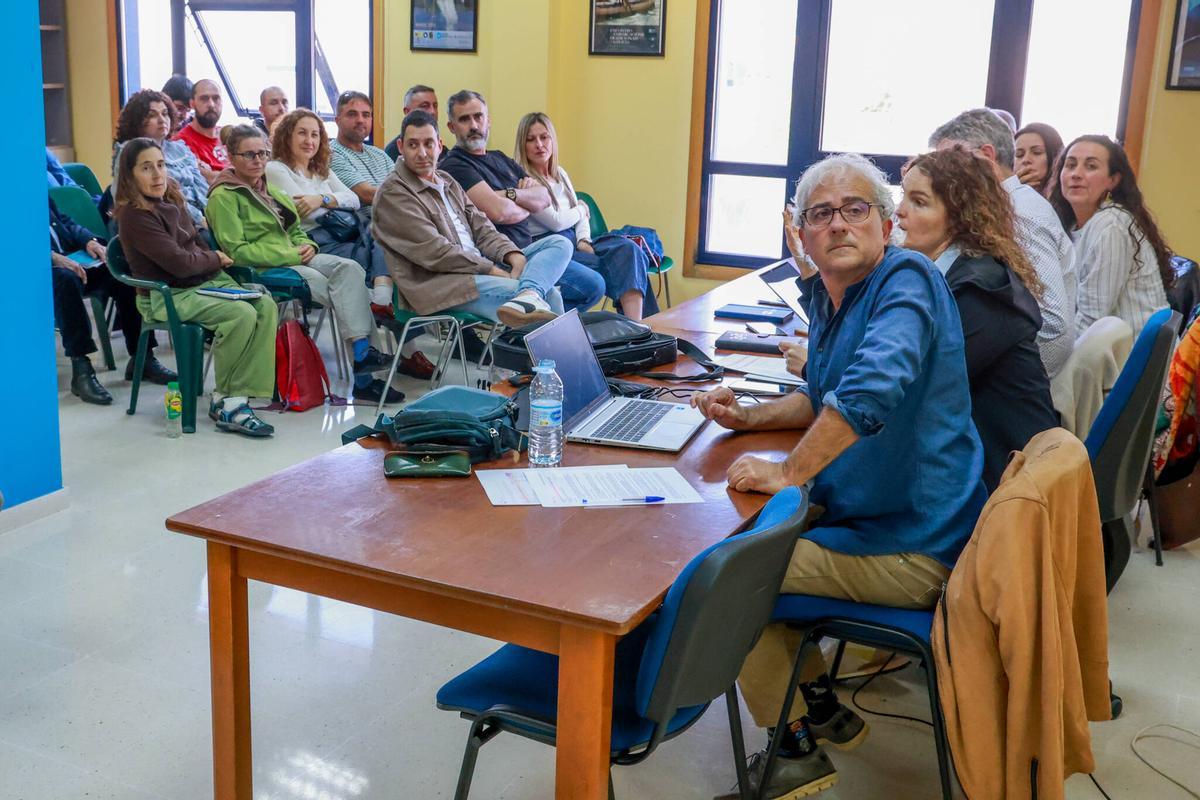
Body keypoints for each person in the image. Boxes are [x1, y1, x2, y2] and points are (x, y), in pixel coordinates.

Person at [697, 153, 986, 800]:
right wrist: (749, 420)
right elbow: (822, 392)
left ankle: (793, 753)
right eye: (820, 214)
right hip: (887, 521)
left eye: (856, 209)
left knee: (726, 577)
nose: (838, 225)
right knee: (751, 549)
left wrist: (790, 473)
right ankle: (821, 710)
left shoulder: (904, 281)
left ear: (887, 225)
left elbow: (869, 390)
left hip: (915, 545)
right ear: (800, 234)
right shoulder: (837, 294)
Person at [897, 147, 1058, 491]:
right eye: (903, 197)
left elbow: (914, 386)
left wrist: (816, 368)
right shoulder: (951, 275)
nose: (899, 213)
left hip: (1009, 485)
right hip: (979, 464)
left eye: (918, 202)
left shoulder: (980, 289)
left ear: (957, 217)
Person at [205, 124, 400, 404]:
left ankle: (363, 354)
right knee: (344, 288)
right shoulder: (224, 196)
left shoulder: (269, 188)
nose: (258, 160)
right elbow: (238, 251)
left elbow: (294, 227)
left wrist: (310, 245)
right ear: (231, 157)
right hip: (265, 268)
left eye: (262, 153)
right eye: (248, 155)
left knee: (351, 271)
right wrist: (294, 254)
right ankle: (364, 375)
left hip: (297, 256)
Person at [114, 137, 277, 437]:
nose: (157, 175)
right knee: (240, 314)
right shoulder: (134, 216)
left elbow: (195, 245)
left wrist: (206, 259)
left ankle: (233, 398)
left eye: (161, 165)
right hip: (167, 295)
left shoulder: (171, 201)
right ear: (129, 176)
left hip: (201, 283)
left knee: (265, 305)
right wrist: (213, 258)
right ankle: (231, 403)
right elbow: (180, 263)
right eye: (146, 168)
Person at [264, 109, 433, 379]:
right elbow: (304, 212)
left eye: (316, 134)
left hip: (346, 236)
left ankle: (387, 319)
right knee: (390, 252)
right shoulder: (276, 169)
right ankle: (391, 340)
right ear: (287, 136)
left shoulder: (321, 170)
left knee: (391, 241)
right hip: (315, 240)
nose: (310, 141)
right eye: (302, 133)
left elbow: (352, 200)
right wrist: (329, 201)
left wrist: (323, 200)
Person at [372, 110, 572, 328]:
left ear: (439, 145)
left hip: (480, 269)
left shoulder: (446, 181)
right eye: (413, 145)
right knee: (549, 296)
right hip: (445, 285)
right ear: (400, 147)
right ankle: (555, 356)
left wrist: (513, 256)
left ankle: (529, 295)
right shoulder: (394, 193)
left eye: (428, 144)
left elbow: (482, 228)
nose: (422, 153)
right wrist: (495, 271)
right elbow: (437, 253)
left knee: (559, 243)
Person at [929, 108, 1075, 378]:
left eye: (950, 161)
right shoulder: (999, 209)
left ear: (986, 156)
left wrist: (991, 372)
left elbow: (1053, 325)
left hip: (1018, 393)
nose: (940, 177)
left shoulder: (1020, 213)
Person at [441, 90, 604, 314]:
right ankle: (529, 310)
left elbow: (544, 198)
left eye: (478, 117)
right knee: (588, 281)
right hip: (501, 257)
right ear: (451, 127)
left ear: (488, 120)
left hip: (530, 249)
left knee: (594, 282)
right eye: (464, 119)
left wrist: (506, 195)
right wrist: (521, 198)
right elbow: (500, 213)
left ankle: (523, 326)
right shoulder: (455, 165)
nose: (473, 125)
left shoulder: (499, 158)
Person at [515, 111, 657, 320]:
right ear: (522, 145)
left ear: (553, 140)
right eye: (531, 140)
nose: (539, 144)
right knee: (621, 269)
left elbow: (582, 217)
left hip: (576, 242)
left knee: (630, 251)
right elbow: (556, 222)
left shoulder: (560, 173)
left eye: (544, 137)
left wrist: (583, 239)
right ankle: (638, 331)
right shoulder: (526, 181)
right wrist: (581, 209)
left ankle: (639, 327)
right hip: (550, 247)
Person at [50, 197, 175, 405]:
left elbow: (65, 222)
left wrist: (89, 241)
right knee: (65, 281)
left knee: (122, 270)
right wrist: (51, 257)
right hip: (35, 270)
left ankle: (142, 357)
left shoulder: (34, 190)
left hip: (71, 259)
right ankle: (81, 368)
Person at [1048, 135, 1173, 337]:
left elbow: (1091, 321)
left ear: (1113, 180)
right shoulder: (1071, 225)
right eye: (1070, 165)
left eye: (1090, 166)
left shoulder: (1110, 225)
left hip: (1129, 358)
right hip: (1102, 352)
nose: (1076, 174)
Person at [112, 89, 211, 228]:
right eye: (152, 115)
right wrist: (200, 220)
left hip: (201, 218)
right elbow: (161, 200)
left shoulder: (179, 148)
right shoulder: (128, 151)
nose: (162, 120)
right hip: (164, 222)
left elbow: (201, 187)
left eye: (165, 113)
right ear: (136, 120)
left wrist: (215, 213)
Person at [329, 91, 395, 207]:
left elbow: (402, 186)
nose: (360, 120)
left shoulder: (380, 154)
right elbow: (367, 195)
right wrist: (408, 196)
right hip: (368, 224)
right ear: (337, 121)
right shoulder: (331, 154)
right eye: (352, 114)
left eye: (366, 115)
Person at [176, 79, 230, 179]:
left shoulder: (231, 135)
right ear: (192, 104)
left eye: (216, 98)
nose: (211, 104)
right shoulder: (180, 143)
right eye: (204, 98)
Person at [384, 84, 447, 160]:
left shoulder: (445, 152)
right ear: (407, 112)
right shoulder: (392, 152)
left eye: (435, 106)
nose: (432, 111)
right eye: (425, 106)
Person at [1015, 122, 1064, 196]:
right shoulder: (1006, 195)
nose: (1026, 160)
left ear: (1055, 157)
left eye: (1036, 152)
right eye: (1019, 155)